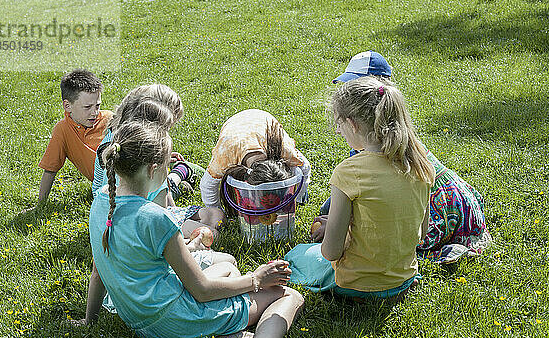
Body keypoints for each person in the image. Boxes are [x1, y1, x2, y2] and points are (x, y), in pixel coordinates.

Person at [85, 121, 304, 338]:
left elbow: (98, 273)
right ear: (152, 169)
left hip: (139, 320)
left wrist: (88, 320)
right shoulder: (155, 218)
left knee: (229, 268)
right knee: (287, 295)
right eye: (168, 165)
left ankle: (223, 333)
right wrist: (257, 279)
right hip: (176, 319)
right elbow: (202, 291)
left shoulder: (103, 200)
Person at [321, 51, 491, 263]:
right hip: (452, 202)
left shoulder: (374, 146)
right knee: (330, 207)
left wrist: (341, 229)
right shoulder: (393, 133)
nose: (346, 92)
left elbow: (384, 202)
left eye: (353, 86)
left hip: (444, 207)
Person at [288, 77, 434, 302]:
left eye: (339, 124)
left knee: (296, 255)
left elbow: (331, 252)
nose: (338, 131)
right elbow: (420, 234)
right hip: (402, 280)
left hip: (357, 285)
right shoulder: (419, 164)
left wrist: (337, 231)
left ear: (353, 124)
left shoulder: (349, 172)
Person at [91, 84, 223, 237]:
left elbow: (165, 202)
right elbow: (159, 214)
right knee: (212, 233)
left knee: (217, 216)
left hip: (135, 213)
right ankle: (178, 178)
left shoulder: (120, 143)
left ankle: (178, 179)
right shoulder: (141, 159)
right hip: (141, 220)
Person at [200, 109, 311, 208]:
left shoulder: (284, 150)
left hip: (263, 121)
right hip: (236, 124)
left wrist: (298, 198)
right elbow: (207, 186)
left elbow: (304, 167)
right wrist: (215, 210)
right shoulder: (225, 156)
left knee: (296, 174)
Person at [33, 69, 112, 208]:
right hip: (106, 190)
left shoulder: (110, 120)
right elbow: (50, 170)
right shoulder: (62, 130)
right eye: (87, 107)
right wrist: (40, 206)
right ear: (67, 106)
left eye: (97, 105)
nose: (94, 112)